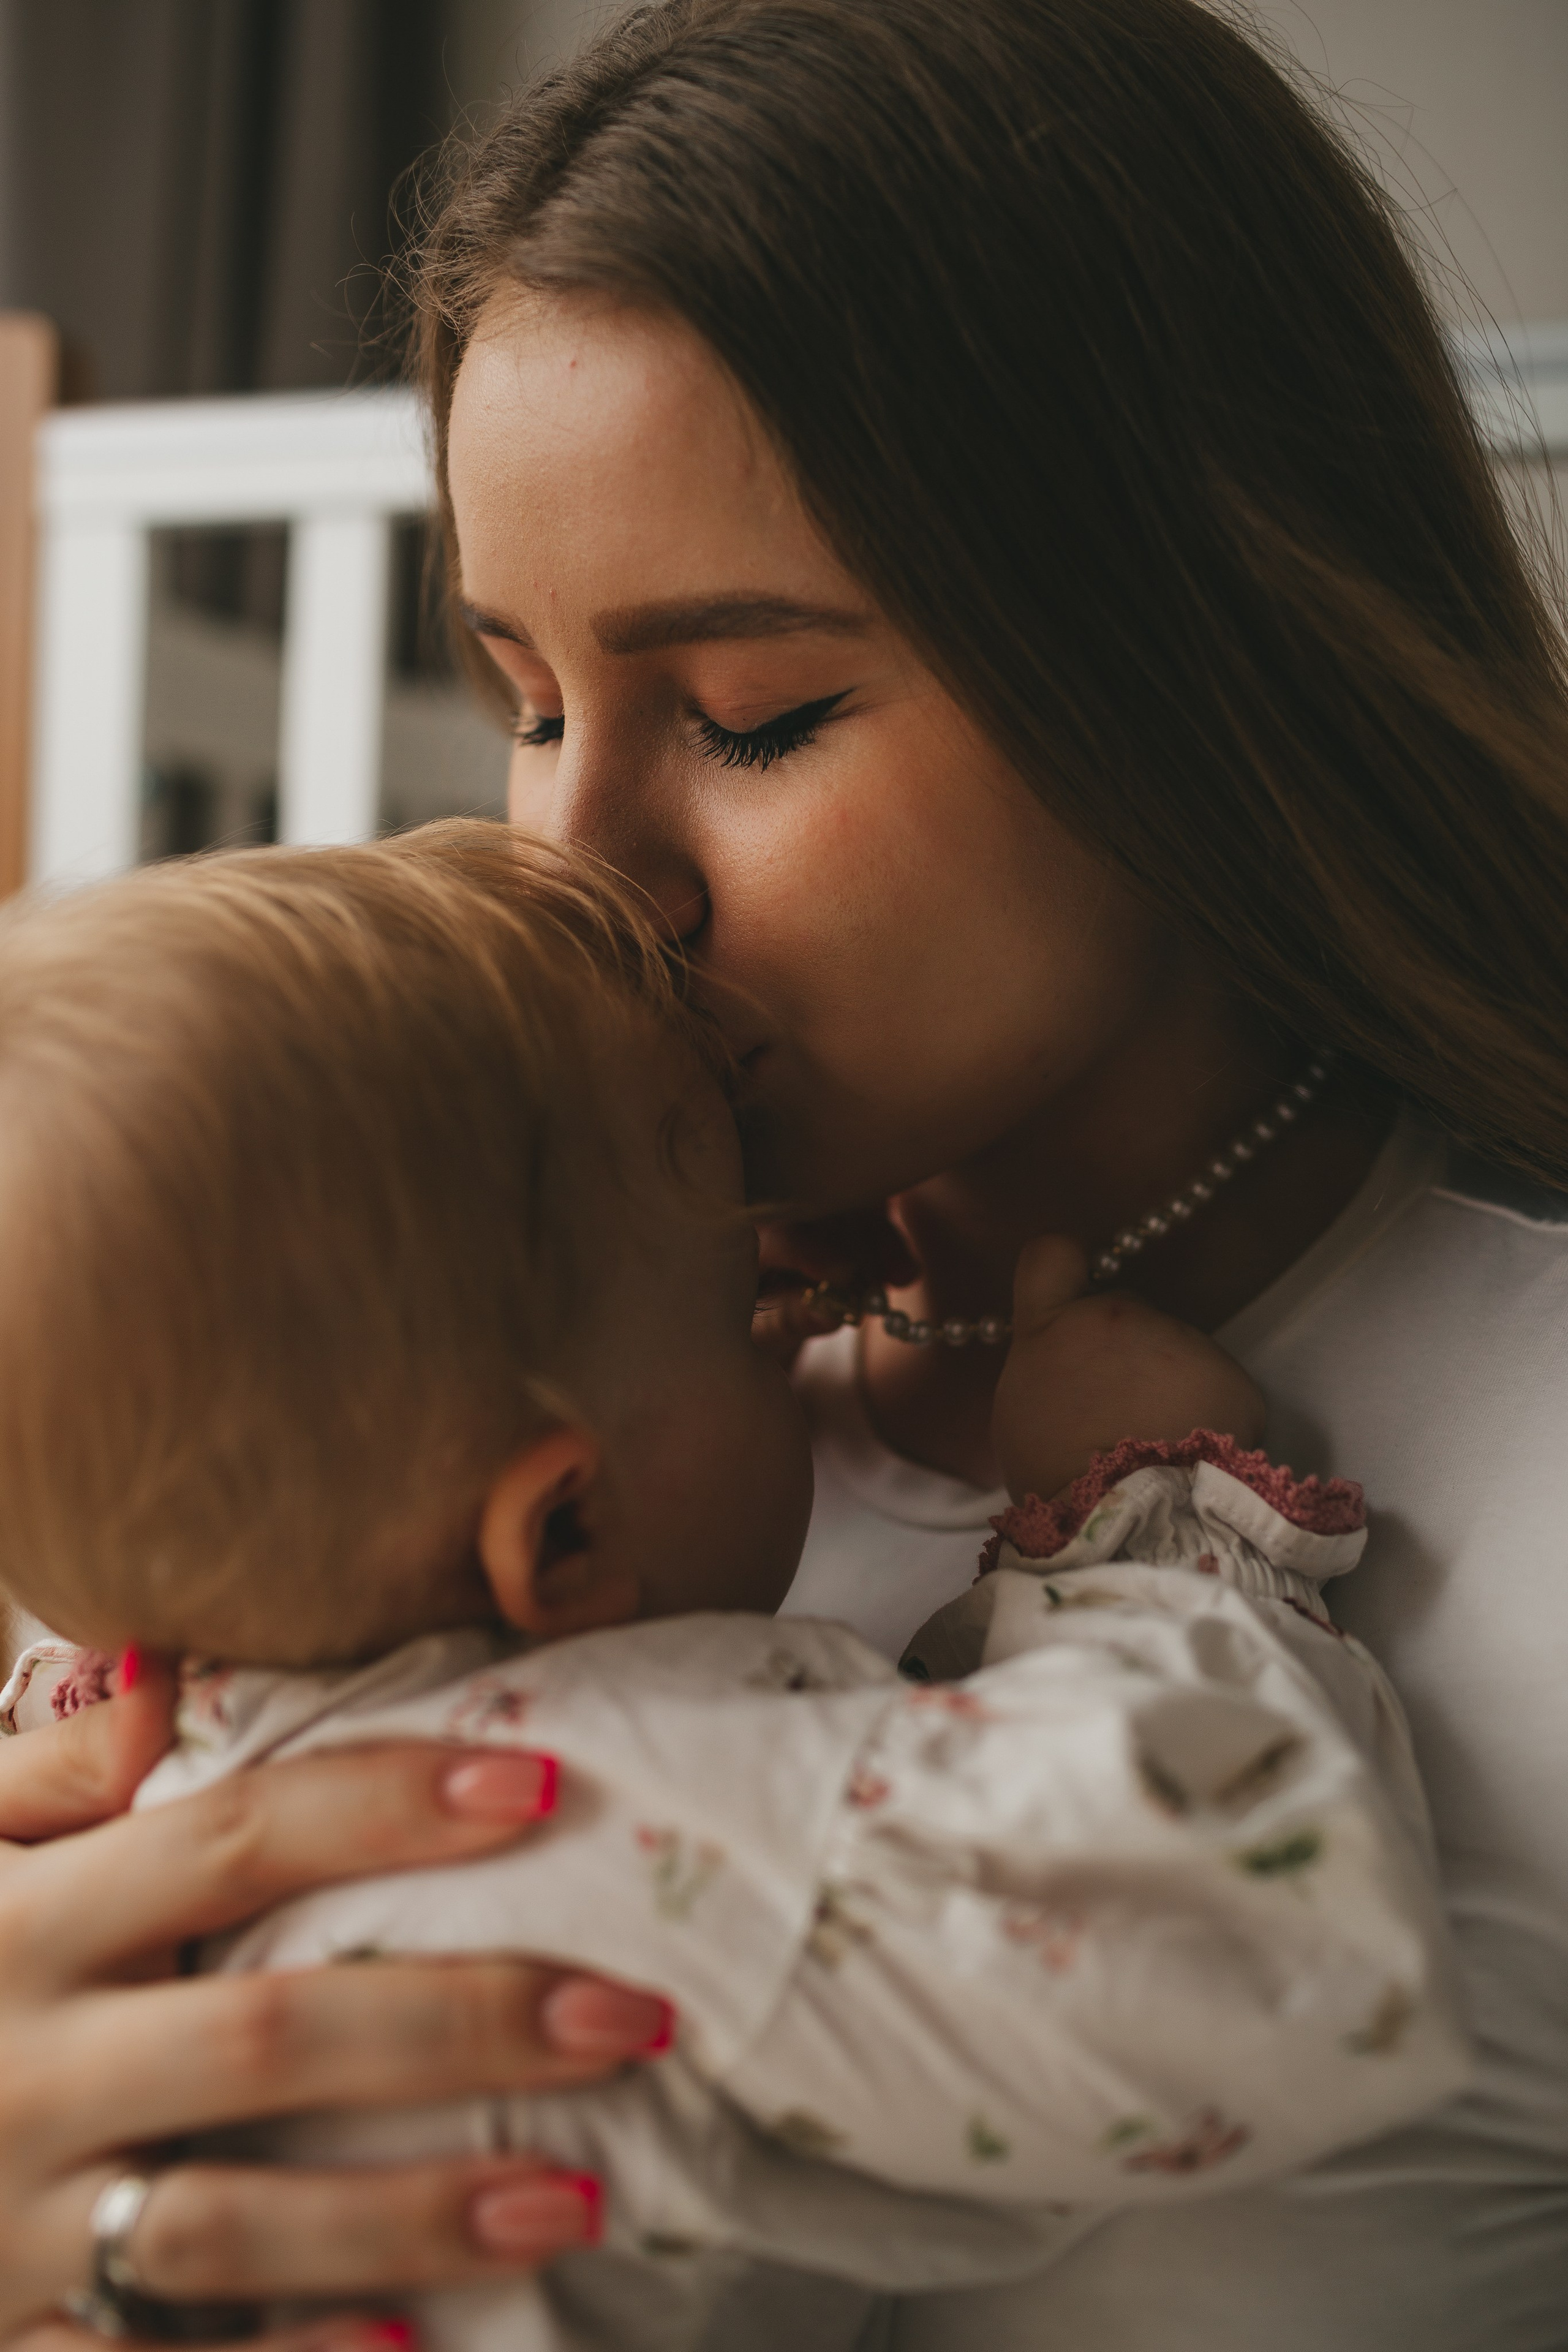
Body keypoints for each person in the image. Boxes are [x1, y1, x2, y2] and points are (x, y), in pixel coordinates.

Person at [3, 1, 1565, 2343]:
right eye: (525, 703)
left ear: (1183, 643)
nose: (585, 860)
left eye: (751, 714)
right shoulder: (410, 1347)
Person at [0, 823, 1464, 2352]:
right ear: (558, 1539)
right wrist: (1146, 1523)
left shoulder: (97, 1803)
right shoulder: (631, 1805)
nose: (800, 1321)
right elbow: (1261, 1953)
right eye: (741, 1307)